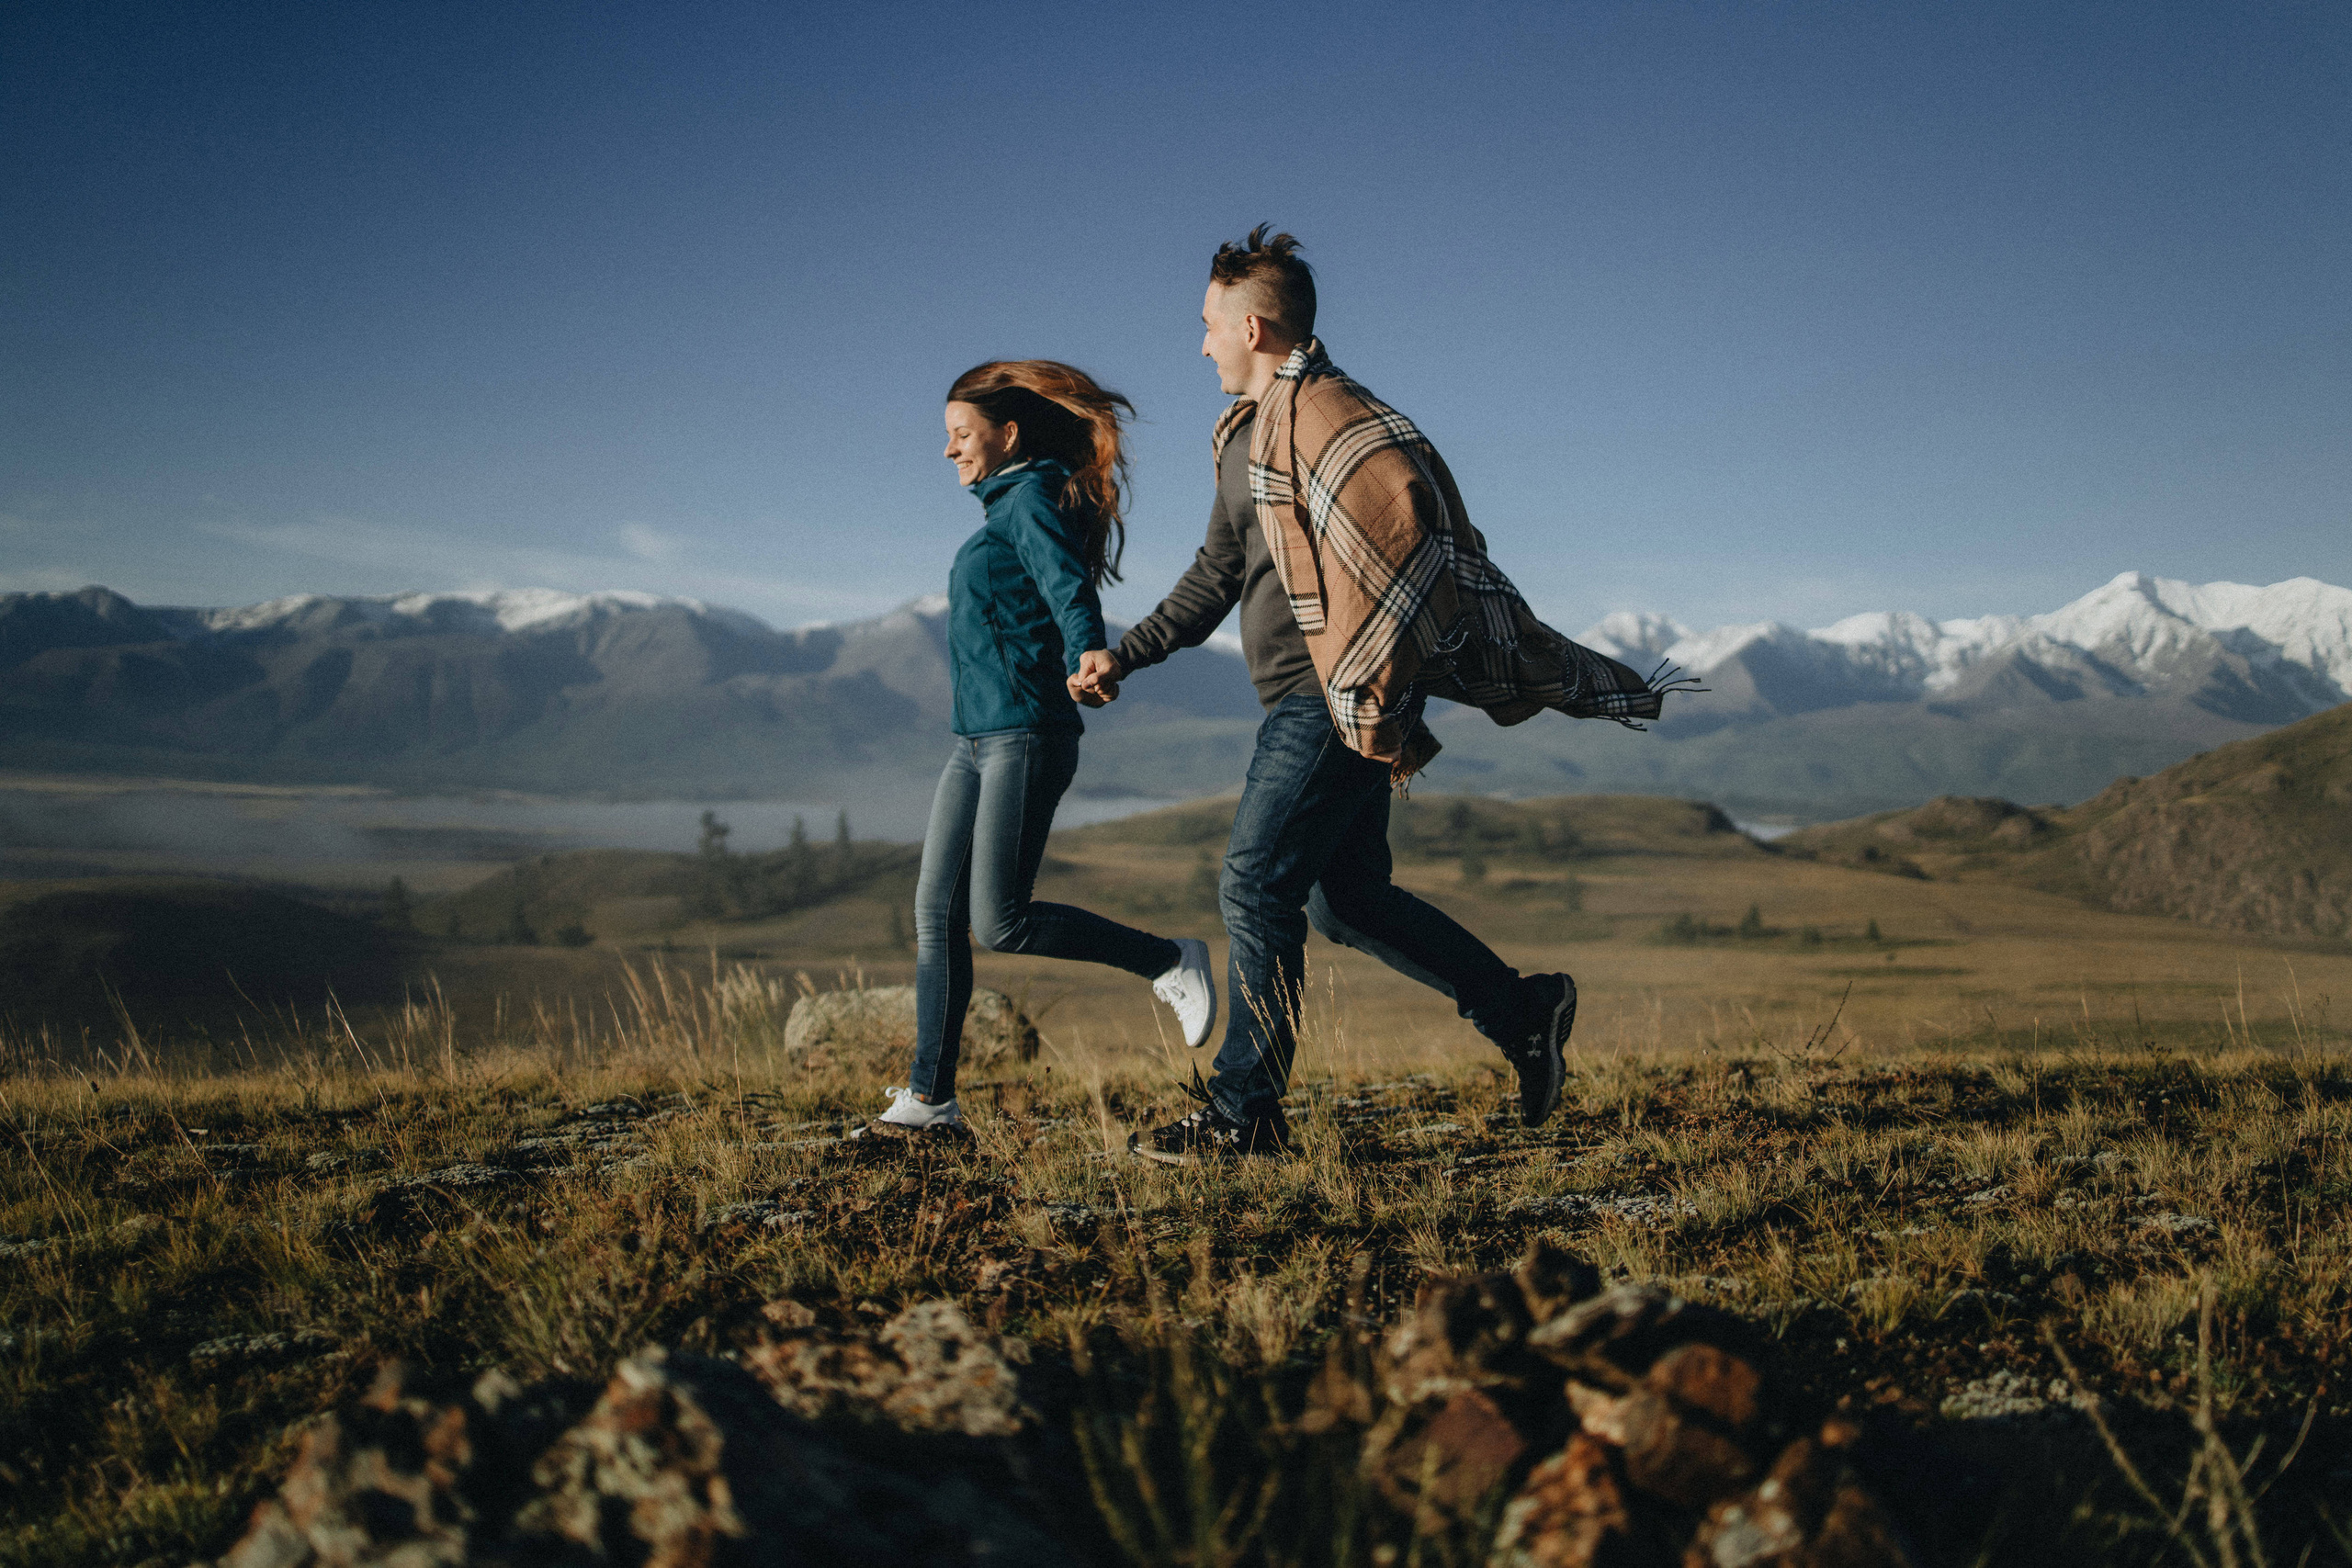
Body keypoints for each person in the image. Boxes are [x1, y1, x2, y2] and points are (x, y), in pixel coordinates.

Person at [1072, 229, 1687, 1163]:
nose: (1200, 344)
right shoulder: (1242, 438)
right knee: (1346, 903)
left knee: (1255, 882)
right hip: (1309, 697)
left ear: (1252, 326)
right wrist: (1129, 654)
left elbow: (1409, 543)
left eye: (1208, 325)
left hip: (1332, 694)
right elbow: (1217, 571)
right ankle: (1523, 1010)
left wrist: (1372, 676)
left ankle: (1245, 1115)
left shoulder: (1340, 424)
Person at [862, 361, 1218, 1142]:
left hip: (1025, 733)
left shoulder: (1027, 499)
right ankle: (930, 1099)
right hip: (975, 740)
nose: (949, 450)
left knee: (1001, 920)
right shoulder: (1005, 509)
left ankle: (1167, 959)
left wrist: (1089, 648)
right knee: (935, 912)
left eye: (961, 434)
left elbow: (1068, 586)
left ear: (1008, 433)